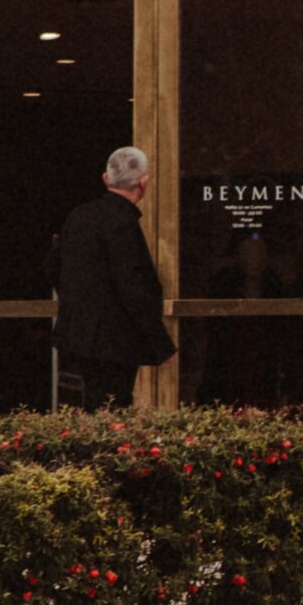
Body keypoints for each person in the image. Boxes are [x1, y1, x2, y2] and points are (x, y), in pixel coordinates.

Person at [52, 147, 177, 409]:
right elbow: (133, 288)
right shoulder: (123, 224)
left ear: (106, 179)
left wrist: (76, 303)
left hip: (75, 337)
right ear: (143, 182)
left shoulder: (78, 216)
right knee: (112, 409)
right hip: (115, 342)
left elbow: (52, 265)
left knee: (81, 410)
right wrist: (161, 343)